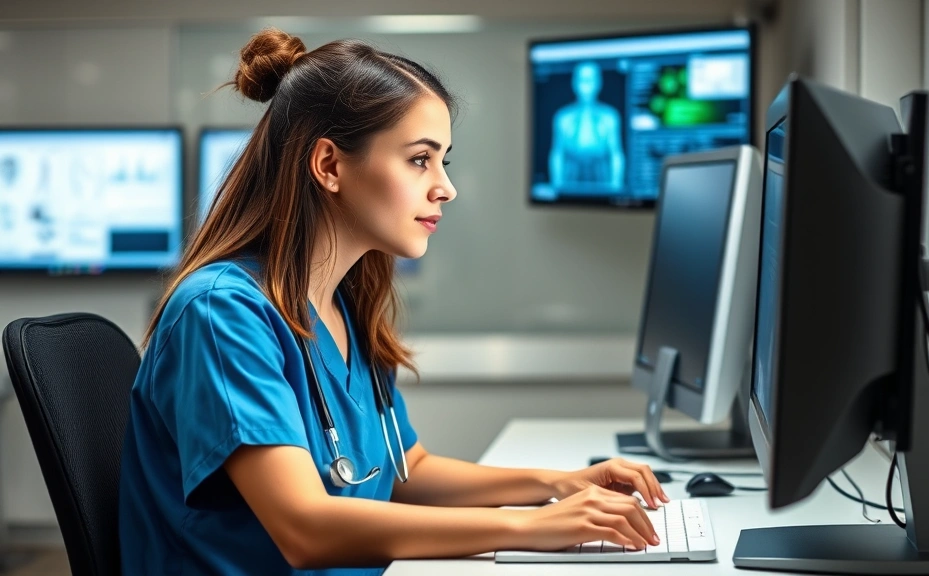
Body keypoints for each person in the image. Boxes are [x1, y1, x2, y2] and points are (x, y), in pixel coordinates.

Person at [119, 28, 667, 575]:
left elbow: (407, 470)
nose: (446, 187)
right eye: (420, 160)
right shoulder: (222, 312)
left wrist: (555, 484)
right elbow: (305, 528)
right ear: (329, 165)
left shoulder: (341, 305)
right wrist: (532, 526)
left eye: (443, 160)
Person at [548, 61, 625, 191]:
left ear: (599, 83)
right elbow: (557, 153)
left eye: (590, 80)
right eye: (582, 80)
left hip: (601, 178)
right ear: (574, 83)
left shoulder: (610, 116)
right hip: (571, 178)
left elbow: (616, 154)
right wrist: (557, 186)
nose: (586, 86)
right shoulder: (563, 117)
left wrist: (616, 186)